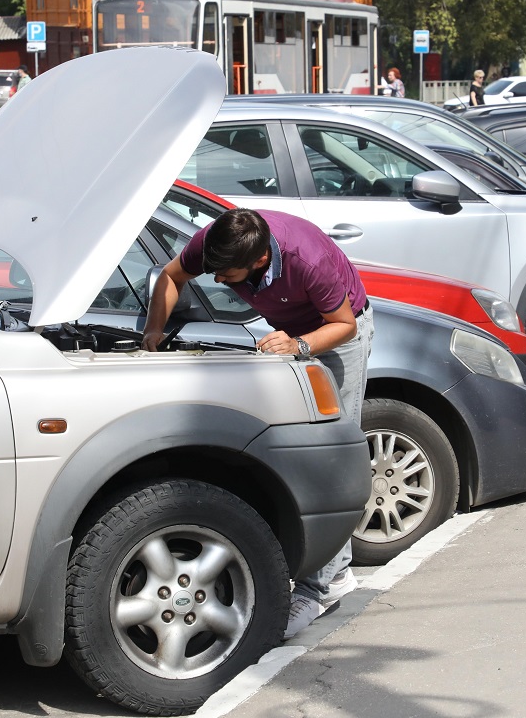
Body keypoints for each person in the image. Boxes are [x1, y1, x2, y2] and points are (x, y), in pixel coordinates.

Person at [140, 208, 373, 640]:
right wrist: (154, 328)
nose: (217, 280)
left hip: (333, 335)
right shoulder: (218, 240)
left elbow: (344, 324)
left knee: (329, 455)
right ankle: (317, 568)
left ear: (260, 261)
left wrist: (299, 344)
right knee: (294, 454)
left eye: (226, 275)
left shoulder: (309, 259)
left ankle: (327, 585)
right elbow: (172, 277)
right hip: (286, 339)